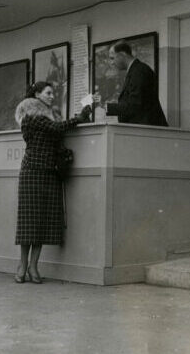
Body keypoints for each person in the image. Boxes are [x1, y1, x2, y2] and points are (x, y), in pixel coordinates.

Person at [14, 81, 92, 284]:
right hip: (34, 172)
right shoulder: (32, 115)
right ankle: (24, 266)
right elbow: (56, 128)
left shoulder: (42, 115)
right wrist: (80, 117)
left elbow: (56, 129)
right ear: (37, 94)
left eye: (52, 93)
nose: (51, 96)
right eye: (48, 93)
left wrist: (78, 118)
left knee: (40, 222)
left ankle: (32, 267)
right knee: (29, 223)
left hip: (44, 172)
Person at [104, 40, 168, 126]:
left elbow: (135, 105)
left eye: (112, 58)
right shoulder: (136, 70)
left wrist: (108, 107)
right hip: (143, 129)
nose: (111, 63)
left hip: (147, 130)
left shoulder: (139, 71)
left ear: (122, 55)